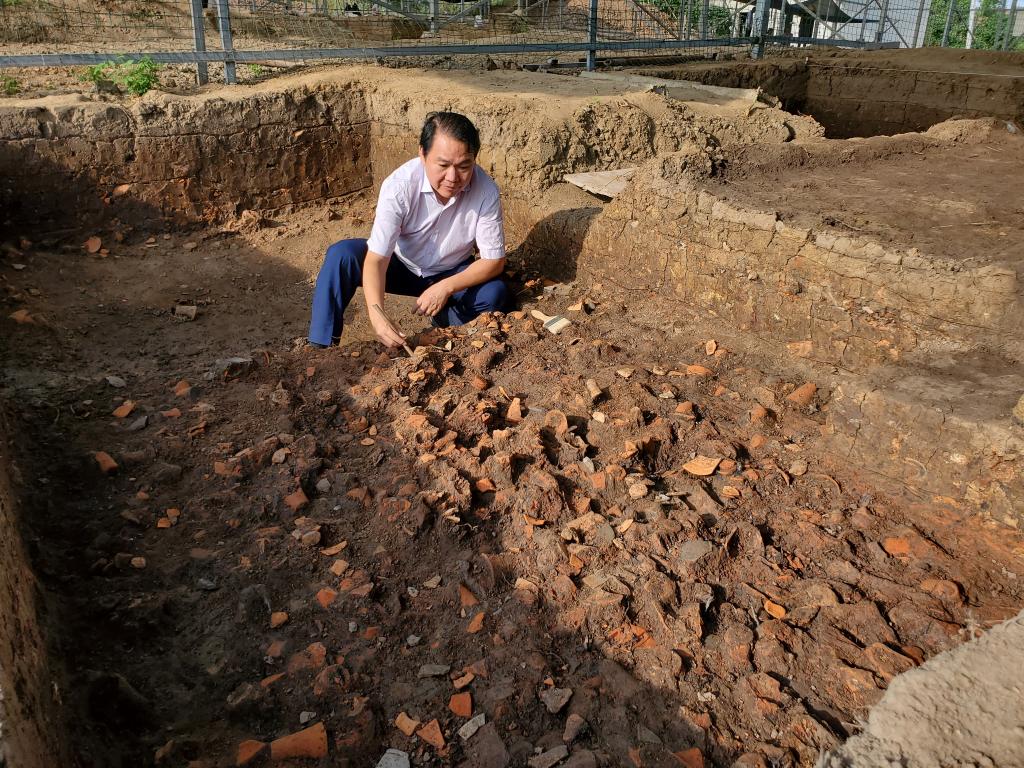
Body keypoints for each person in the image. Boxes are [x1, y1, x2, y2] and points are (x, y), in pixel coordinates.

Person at [308, 112, 509, 349]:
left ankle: (444, 324)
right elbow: (377, 259)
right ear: (422, 155)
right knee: (342, 255)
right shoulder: (399, 186)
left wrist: (445, 287)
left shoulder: (485, 191)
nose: (453, 178)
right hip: (402, 265)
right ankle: (321, 345)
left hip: (452, 271)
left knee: (495, 294)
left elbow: (494, 261)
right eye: (443, 165)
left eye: (464, 166)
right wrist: (377, 315)